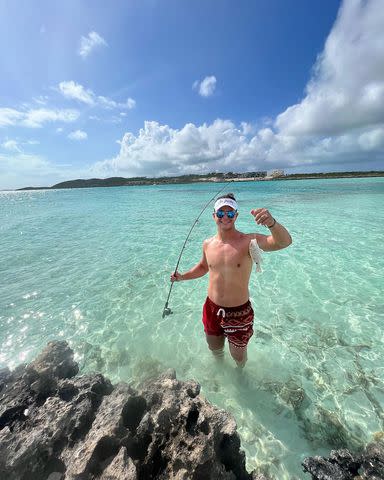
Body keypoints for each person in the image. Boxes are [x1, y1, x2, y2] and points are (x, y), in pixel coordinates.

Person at [170, 193, 292, 368]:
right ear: (214, 216)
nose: (225, 217)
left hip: (239, 312)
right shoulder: (207, 244)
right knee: (215, 349)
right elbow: (204, 267)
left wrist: (272, 223)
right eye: (220, 213)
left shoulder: (249, 241)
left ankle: (240, 377)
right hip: (211, 308)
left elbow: (284, 242)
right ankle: (220, 372)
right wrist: (182, 277)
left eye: (230, 213)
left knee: (239, 357)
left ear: (236, 215)